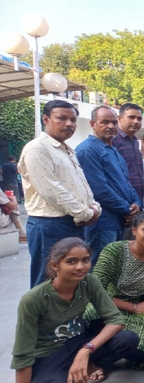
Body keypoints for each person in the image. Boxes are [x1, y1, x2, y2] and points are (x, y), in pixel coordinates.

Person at [11, 238, 138, 383]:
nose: (80, 267)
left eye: (85, 260)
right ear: (55, 265)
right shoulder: (34, 300)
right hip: (47, 357)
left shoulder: (89, 282)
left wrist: (85, 351)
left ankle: (79, 377)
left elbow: (116, 320)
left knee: (127, 339)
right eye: (71, 261)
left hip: (78, 343)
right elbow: (22, 357)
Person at [18, 100, 101, 288]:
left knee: (69, 281)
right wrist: (85, 213)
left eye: (73, 120)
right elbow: (51, 190)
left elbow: (81, 185)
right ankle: (41, 319)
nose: (69, 124)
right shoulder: (37, 149)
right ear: (46, 119)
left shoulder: (67, 150)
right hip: (49, 225)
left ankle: (67, 318)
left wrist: (95, 206)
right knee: (47, 283)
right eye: (62, 118)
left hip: (72, 222)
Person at [84, 211, 144, 370]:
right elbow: (95, 290)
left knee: (141, 343)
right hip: (109, 303)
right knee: (88, 314)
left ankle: (98, 363)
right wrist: (133, 307)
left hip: (142, 311)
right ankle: (89, 361)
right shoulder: (115, 251)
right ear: (134, 230)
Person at [76, 105, 141, 265]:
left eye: (113, 122)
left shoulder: (113, 149)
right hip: (103, 222)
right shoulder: (88, 150)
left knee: (115, 267)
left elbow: (126, 182)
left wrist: (137, 204)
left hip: (119, 219)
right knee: (100, 268)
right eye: (105, 122)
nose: (111, 126)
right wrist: (127, 210)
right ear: (93, 124)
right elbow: (99, 190)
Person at [113, 103, 144, 204]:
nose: (136, 121)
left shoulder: (135, 141)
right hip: (123, 202)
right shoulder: (113, 140)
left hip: (137, 201)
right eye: (131, 117)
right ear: (119, 118)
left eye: (139, 119)